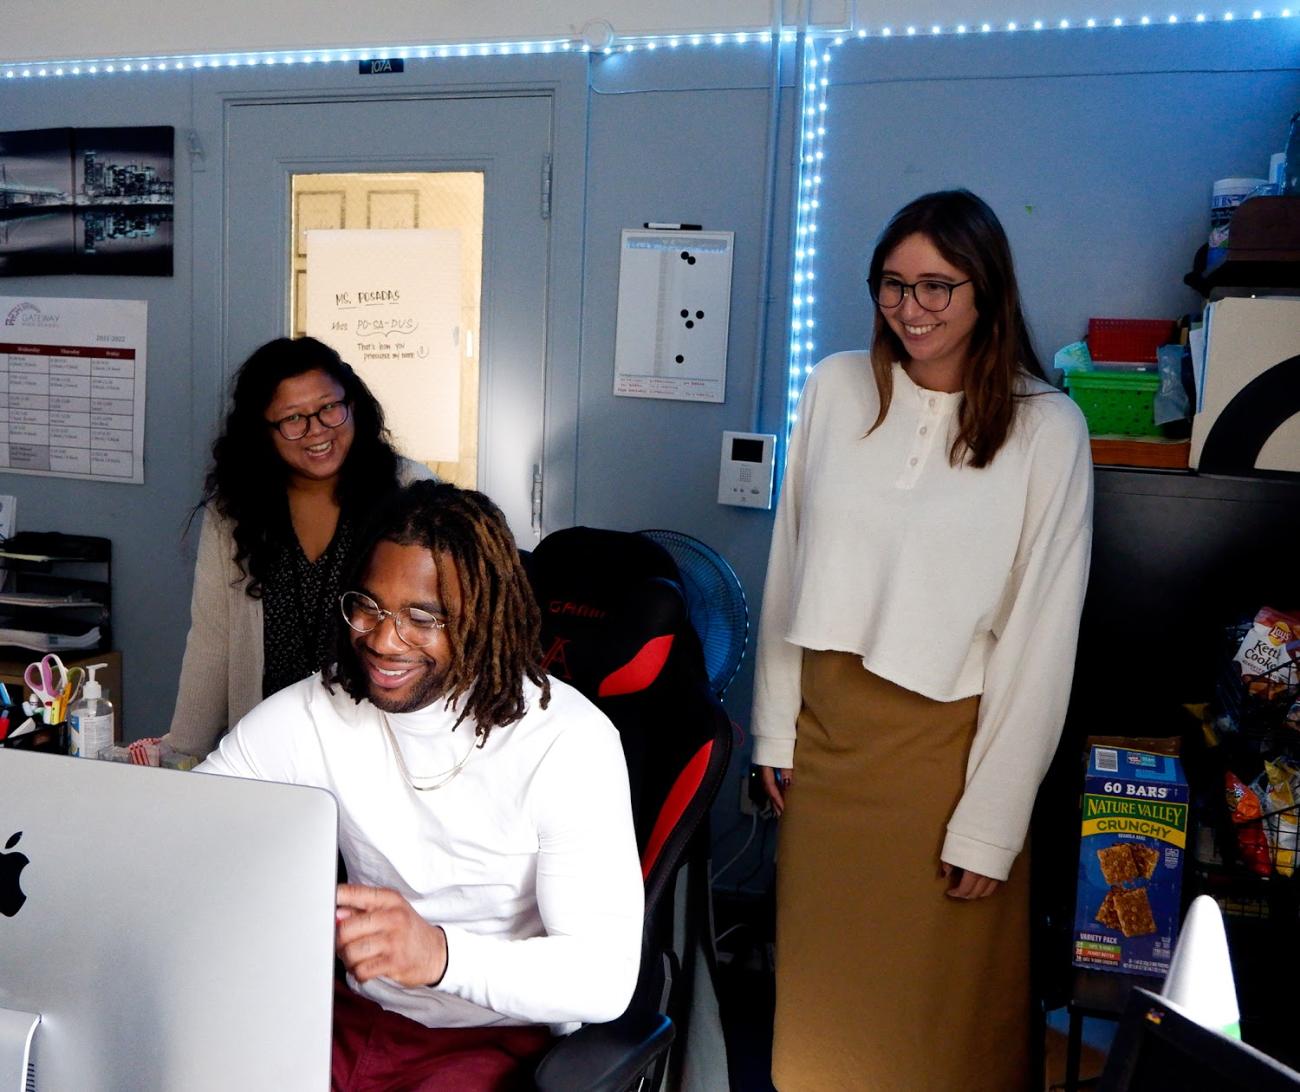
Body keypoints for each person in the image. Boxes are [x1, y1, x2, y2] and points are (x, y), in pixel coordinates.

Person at [751, 190, 1093, 1089]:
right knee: (827, 998)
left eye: (938, 286)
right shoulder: (833, 386)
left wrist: (991, 823)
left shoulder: (1045, 427)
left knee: (941, 1015)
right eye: (893, 285)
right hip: (829, 748)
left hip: (945, 755)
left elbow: (1040, 639)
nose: (913, 308)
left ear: (988, 291)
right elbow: (789, 565)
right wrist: (774, 730)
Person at [196, 481, 644, 1089]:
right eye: (370, 607)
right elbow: (190, 824)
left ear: (482, 618)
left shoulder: (568, 743)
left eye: (421, 617)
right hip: (345, 1016)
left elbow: (603, 978)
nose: (383, 640)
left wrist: (437, 954)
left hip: (492, 1036)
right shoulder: (321, 708)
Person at [159, 336, 432, 759]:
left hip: (380, 742)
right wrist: (182, 752)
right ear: (263, 429)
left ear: (353, 403)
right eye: (293, 419)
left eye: (328, 408)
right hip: (270, 743)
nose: (317, 430)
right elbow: (212, 643)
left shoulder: (409, 491)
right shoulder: (234, 512)